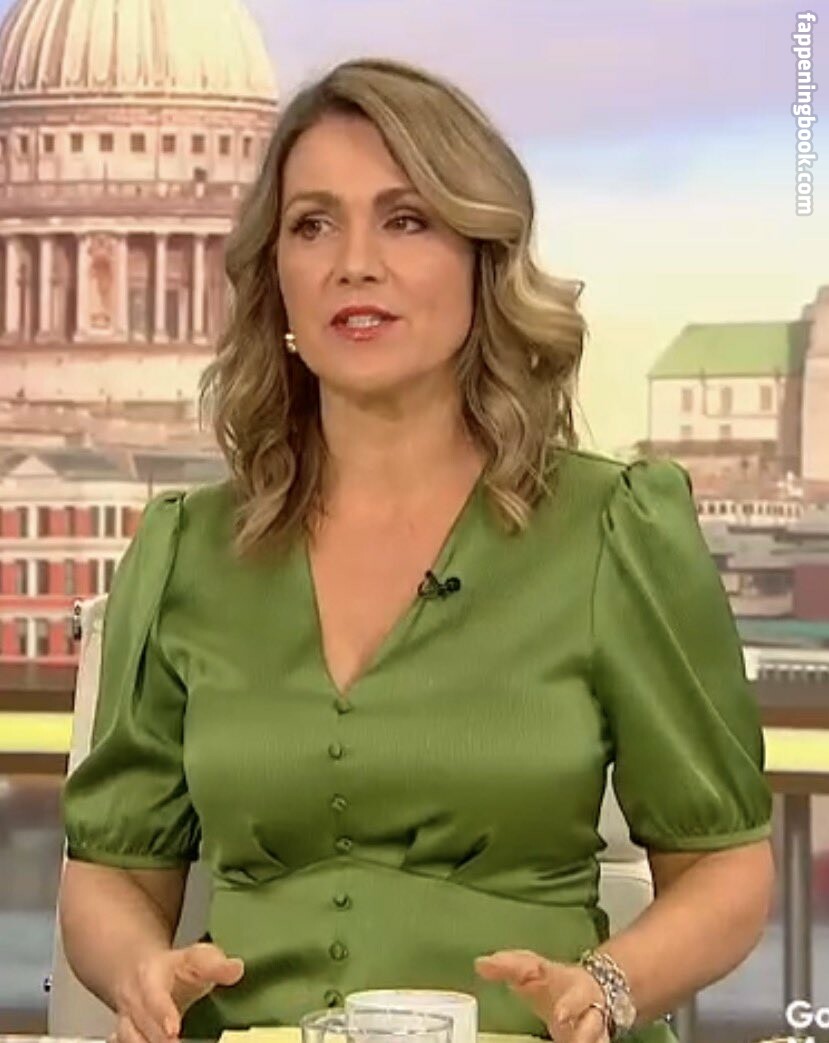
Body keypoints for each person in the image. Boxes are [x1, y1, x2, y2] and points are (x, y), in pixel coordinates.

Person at [58, 56, 775, 1043]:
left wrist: (605, 985)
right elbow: (110, 874)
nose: (354, 262)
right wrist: (138, 968)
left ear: (481, 257)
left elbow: (725, 867)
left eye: (405, 219)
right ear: (276, 274)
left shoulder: (614, 527)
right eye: (313, 224)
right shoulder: (187, 550)